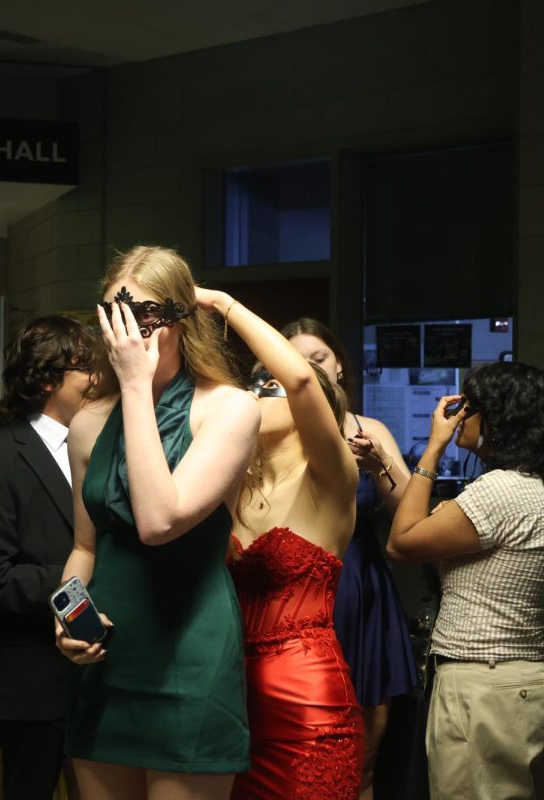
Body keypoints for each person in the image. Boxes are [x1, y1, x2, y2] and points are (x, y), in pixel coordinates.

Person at [55, 245, 260, 800]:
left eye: (144, 316)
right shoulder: (89, 422)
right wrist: (68, 612)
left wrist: (135, 390)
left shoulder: (230, 409)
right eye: (113, 316)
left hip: (188, 656)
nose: (128, 333)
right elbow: (85, 545)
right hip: (107, 658)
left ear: (178, 319)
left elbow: (158, 519)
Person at [386, 362, 544, 800]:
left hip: (485, 687)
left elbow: (401, 543)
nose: (459, 415)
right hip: (541, 678)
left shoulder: (499, 492)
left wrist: (432, 450)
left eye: (468, 406)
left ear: (497, 418)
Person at [207, 293, 363, 799]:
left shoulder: (331, 478)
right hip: (229, 699)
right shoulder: (229, 488)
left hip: (307, 704)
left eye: (270, 388)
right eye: (253, 386)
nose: (258, 394)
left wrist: (219, 303)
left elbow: (298, 377)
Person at [0, 315, 96, 799]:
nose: (96, 378)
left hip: (102, 674)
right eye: (84, 367)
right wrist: (83, 578)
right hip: (33, 677)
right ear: (45, 380)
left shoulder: (105, 446)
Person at [282, 317, 417, 798]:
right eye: (295, 360)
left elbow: (410, 514)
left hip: (359, 586)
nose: (309, 368)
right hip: (296, 587)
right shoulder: (273, 426)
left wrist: (379, 463)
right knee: (299, 742)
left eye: (317, 358)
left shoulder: (369, 427)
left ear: (339, 364)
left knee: (365, 746)